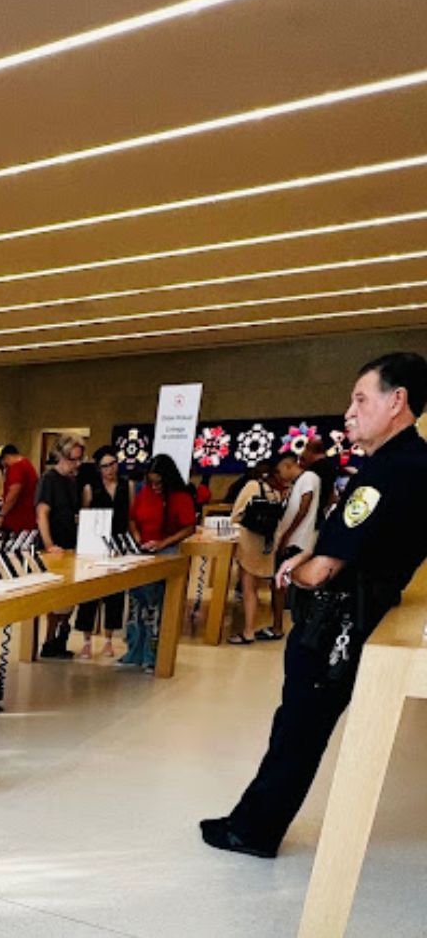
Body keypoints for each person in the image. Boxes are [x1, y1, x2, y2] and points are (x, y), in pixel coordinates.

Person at [201, 351, 427, 859]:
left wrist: (291, 569)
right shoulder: (411, 464)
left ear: (398, 402)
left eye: (360, 399)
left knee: (299, 727)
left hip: (337, 622)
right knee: (299, 727)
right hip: (361, 612)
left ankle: (254, 830)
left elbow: (327, 568)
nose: (350, 411)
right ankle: (251, 819)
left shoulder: (389, 472)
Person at [120, 454, 196, 670]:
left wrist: (163, 543)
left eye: (158, 482)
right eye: (151, 481)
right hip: (142, 551)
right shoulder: (144, 492)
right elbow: (133, 518)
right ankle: (134, 651)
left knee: (156, 605)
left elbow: (189, 527)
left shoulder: (180, 496)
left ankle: (152, 655)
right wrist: (135, 535)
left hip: (166, 552)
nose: (154, 486)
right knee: (137, 603)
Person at [228, 453, 289, 644]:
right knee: (256, 588)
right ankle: (250, 629)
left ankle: (248, 631)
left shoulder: (252, 486)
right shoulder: (276, 492)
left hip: (249, 543)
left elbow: (236, 514)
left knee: (248, 589)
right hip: (266, 544)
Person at [77, 445, 132, 659]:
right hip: (94, 545)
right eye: (105, 466)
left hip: (117, 544)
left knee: (114, 594)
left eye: (113, 464)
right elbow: (84, 516)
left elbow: (130, 516)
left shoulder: (126, 486)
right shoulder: (91, 488)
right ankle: (86, 640)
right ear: (98, 469)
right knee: (89, 595)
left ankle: (109, 639)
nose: (110, 469)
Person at [35, 434, 85, 659]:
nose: (77, 464)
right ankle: (48, 640)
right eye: (73, 459)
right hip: (53, 545)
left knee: (69, 598)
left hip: (69, 543)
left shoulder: (71, 481)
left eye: (79, 459)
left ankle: (61, 638)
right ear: (61, 457)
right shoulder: (49, 479)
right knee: (55, 599)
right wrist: (49, 544)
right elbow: (42, 514)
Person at [267, 451, 322, 640]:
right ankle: (278, 625)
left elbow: (304, 508)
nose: (279, 475)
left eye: (279, 470)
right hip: (293, 539)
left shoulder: (308, 477)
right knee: (280, 584)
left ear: (289, 465)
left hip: (297, 541)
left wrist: (286, 536)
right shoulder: (296, 484)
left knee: (281, 583)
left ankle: (277, 627)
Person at [0, 443, 39, 535]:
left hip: (18, 522)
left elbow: (14, 492)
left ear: (7, 457)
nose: (5, 466)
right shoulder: (27, 464)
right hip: (29, 520)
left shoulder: (16, 467)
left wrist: (2, 514)